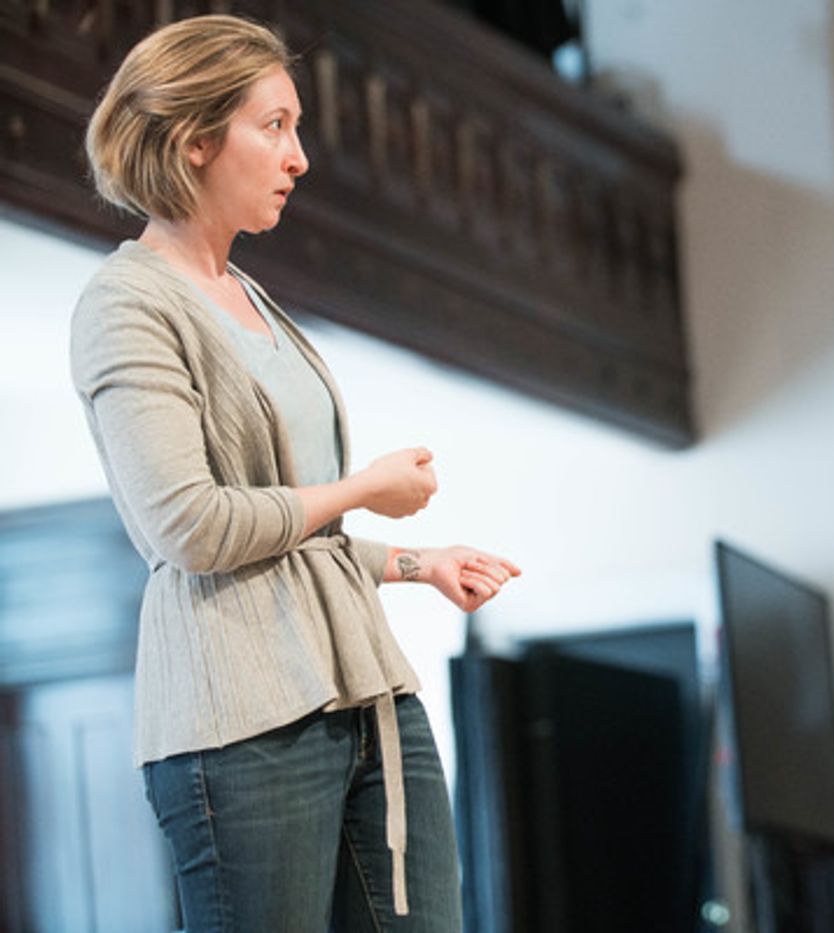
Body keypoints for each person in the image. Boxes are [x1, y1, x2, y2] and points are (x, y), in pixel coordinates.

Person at [70, 14, 520, 930]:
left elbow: (296, 541)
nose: (299, 157)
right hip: (241, 720)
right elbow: (191, 527)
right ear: (195, 141)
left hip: (368, 696)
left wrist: (417, 561)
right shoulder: (126, 303)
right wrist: (364, 490)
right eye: (274, 126)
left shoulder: (251, 296)